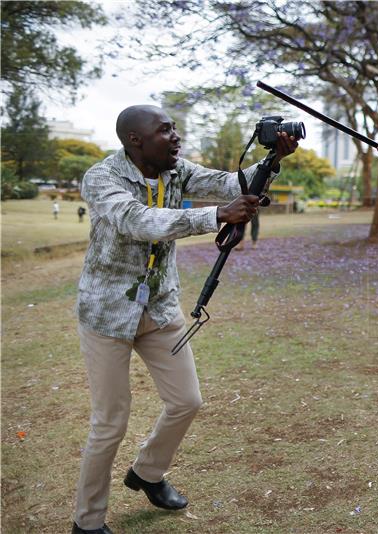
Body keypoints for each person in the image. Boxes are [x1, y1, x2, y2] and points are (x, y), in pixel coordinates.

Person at [71, 104, 298, 534]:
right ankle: (88, 521)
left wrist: (272, 160)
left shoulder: (177, 170)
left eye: (174, 129)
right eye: (165, 131)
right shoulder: (103, 178)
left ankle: (147, 473)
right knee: (110, 422)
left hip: (159, 307)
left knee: (186, 401)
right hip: (106, 314)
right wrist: (214, 216)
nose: (176, 137)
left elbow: (233, 183)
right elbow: (137, 221)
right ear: (135, 140)